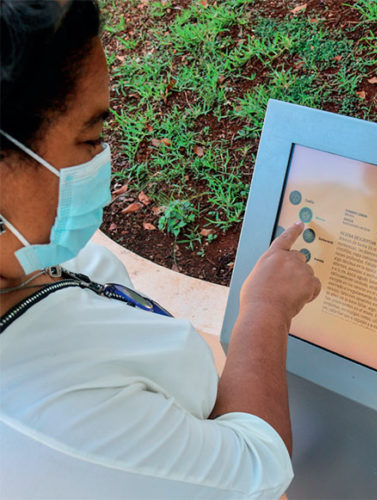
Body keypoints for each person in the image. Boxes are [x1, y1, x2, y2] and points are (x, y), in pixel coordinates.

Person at [0, 1, 321, 498]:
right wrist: (266, 311)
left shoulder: (23, 251)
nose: (103, 159)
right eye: (90, 137)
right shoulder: (58, 419)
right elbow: (256, 468)